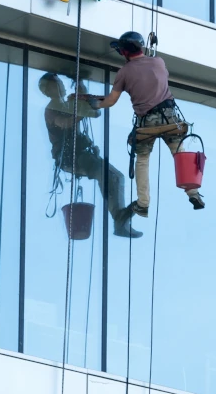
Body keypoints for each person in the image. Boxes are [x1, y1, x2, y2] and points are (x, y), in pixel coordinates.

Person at [88, 31, 205, 217]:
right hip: (170, 117)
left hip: (147, 122)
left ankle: (143, 203)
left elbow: (111, 100)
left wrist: (96, 104)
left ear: (124, 52)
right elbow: (156, 76)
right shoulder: (158, 62)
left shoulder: (124, 72)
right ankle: (193, 192)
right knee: (180, 153)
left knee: (142, 160)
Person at [39, 72, 141, 238]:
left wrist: (79, 83)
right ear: (48, 91)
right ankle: (119, 219)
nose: (61, 87)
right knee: (110, 176)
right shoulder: (51, 110)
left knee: (117, 177)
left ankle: (120, 219)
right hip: (71, 157)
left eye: (59, 84)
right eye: (55, 85)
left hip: (81, 155)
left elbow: (81, 102)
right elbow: (64, 123)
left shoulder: (65, 105)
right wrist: (83, 112)